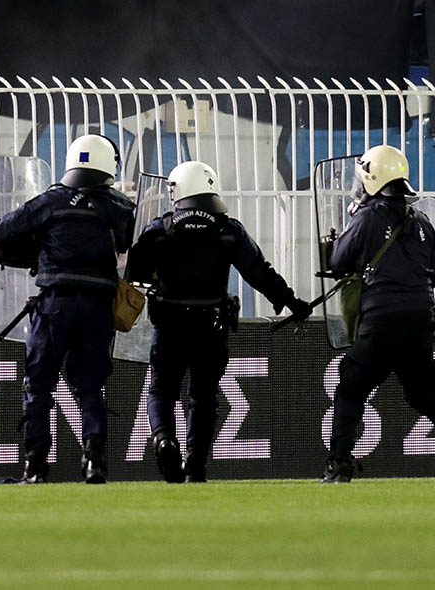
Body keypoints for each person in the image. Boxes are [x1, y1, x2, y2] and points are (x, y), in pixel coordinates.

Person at [125, 160, 311, 483]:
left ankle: (165, 440)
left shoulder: (160, 229)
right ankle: (195, 467)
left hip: (169, 327)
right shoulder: (228, 229)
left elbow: (134, 274)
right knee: (204, 399)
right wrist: (291, 302)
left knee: (161, 393)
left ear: (178, 190)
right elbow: (259, 272)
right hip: (210, 328)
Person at [323, 145, 435, 482]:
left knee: (351, 388)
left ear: (373, 178)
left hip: (380, 320)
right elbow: (434, 273)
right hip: (419, 320)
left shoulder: (366, 217)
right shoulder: (423, 222)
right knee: (424, 394)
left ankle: (339, 463)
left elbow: (338, 261)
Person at [0, 134, 137, 484]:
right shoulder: (118, 206)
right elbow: (131, 242)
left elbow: (5, 230)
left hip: (54, 305)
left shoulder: (51, 200)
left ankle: (35, 467)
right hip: (98, 307)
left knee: (39, 385)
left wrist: (38, 248)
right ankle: (94, 462)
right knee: (90, 387)